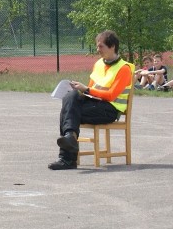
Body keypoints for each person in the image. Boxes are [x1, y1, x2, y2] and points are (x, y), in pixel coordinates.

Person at [48, 30, 133, 170]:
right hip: (95, 104)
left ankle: (67, 158)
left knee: (68, 112)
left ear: (112, 47)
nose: (98, 49)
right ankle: (70, 136)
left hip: (110, 109)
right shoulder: (99, 64)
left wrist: (86, 89)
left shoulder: (124, 68)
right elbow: (91, 88)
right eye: (97, 46)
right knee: (71, 97)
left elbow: (111, 95)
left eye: (101, 46)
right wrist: (79, 90)